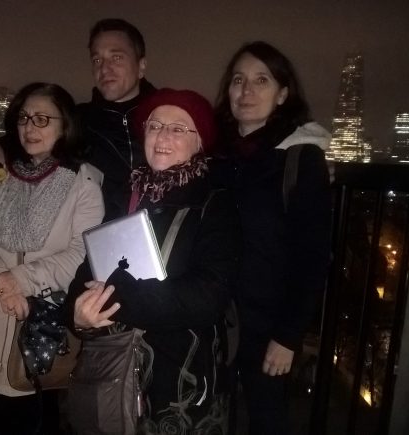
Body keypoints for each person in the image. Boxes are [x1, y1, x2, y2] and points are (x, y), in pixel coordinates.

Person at [67, 88, 240, 434]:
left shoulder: (213, 204)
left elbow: (208, 296)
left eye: (178, 129)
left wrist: (118, 298)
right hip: (115, 375)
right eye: (155, 126)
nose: (162, 136)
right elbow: (87, 271)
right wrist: (78, 314)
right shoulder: (125, 196)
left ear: (200, 142)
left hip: (180, 384)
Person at [0, 82, 104, 435]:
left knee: (40, 411)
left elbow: (81, 252)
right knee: (7, 413)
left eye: (43, 119)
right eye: (24, 118)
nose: (30, 127)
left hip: (42, 322)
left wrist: (20, 280)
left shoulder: (83, 183)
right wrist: (4, 284)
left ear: (65, 126)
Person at [212, 41, 332, 435]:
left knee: (266, 420)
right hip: (213, 318)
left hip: (266, 328)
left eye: (261, 80)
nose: (246, 90)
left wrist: (288, 336)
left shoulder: (300, 159)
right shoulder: (216, 157)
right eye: (238, 80)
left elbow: (312, 257)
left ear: (282, 94)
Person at [0, 18, 156, 221]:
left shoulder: (169, 115)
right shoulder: (78, 119)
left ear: (141, 66)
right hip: (98, 233)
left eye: (116, 57)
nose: (104, 69)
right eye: (97, 60)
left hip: (166, 231)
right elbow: (31, 137)